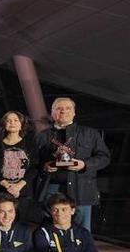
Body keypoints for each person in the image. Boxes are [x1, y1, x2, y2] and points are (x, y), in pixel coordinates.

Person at [35, 97, 110, 232]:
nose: (63, 111)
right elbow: (34, 163)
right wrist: (44, 166)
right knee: (50, 229)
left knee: (82, 231)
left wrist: (85, 164)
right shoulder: (42, 136)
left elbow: (104, 157)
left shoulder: (90, 133)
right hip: (52, 189)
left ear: (74, 112)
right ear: (52, 113)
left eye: (68, 108)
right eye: (59, 108)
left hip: (82, 189)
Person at [0, 111, 39, 223]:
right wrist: (6, 184)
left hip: (23, 191)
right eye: (9, 120)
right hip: (1, 190)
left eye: (16, 120)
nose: (12, 123)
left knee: (22, 224)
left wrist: (19, 186)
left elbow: (35, 167)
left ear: (21, 124)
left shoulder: (29, 142)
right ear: (4, 124)